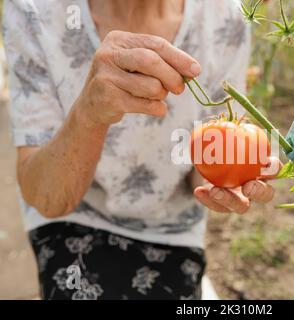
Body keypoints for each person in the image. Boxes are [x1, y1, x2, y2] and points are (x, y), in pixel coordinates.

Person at [2, 0, 279, 300]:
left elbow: (204, 172)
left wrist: (228, 179)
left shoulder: (225, 18)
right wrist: (88, 114)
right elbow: (46, 198)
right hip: (75, 217)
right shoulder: (34, 10)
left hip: (169, 228)